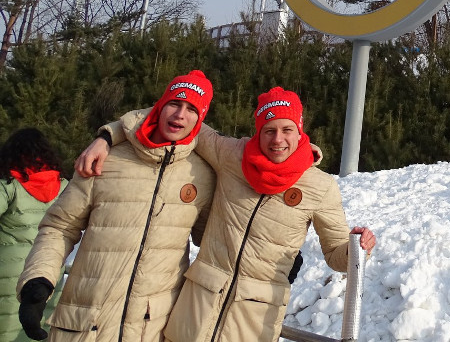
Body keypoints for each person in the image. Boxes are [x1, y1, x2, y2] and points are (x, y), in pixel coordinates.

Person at [78, 86, 376, 342]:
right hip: (195, 311)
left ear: (300, 131)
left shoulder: (320, 186)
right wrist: (108, 135)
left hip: (252, 321)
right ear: (258, 131)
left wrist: (356, 250)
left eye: (287, 130)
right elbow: (178, 118)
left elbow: (337, 257)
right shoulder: (231, 154)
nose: (277, 140)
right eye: (269, 130)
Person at [17, 71, 216, 342]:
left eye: (192, 108)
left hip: (150, 329)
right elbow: (60, 227)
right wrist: (38, 278)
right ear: (159, 107)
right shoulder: (105, 159)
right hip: (84, 325)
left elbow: (217, 241)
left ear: (200, 118)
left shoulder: (201, 174)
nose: (180, 114)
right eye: (174, 103)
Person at [1, 129, 67, 342]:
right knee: (39, 331)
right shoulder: (65, 187)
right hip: (49, 275)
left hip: (7, 277)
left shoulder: (8, 185)